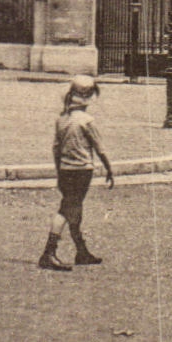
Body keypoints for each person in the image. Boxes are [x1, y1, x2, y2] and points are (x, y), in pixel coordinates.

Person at [38, 75, 115, 272]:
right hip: (82, 170)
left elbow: (56, 149)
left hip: (64, 170)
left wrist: (58, 172)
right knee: (67, 209)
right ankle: (48, 252)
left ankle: (81, 251)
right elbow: (100, 148)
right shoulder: (87, 121)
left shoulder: (61, 120)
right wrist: (109, 168)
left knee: (74, 208)